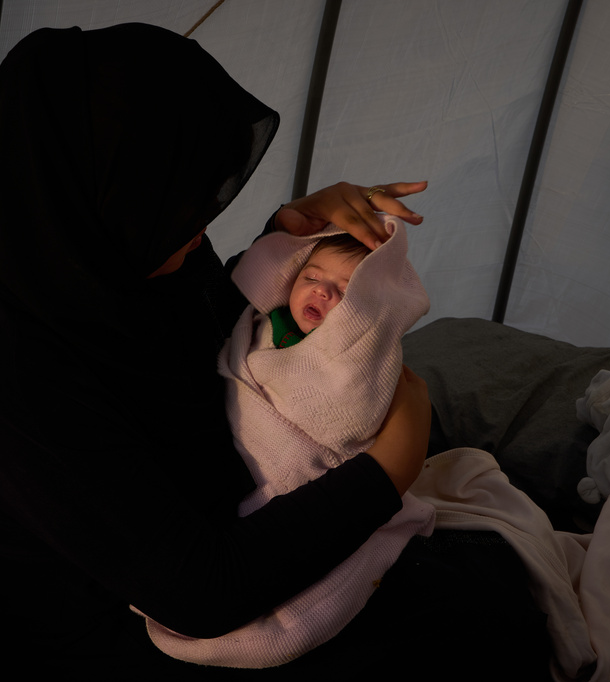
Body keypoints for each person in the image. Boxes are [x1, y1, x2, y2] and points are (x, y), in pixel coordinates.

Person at [0, 22, 550, 680]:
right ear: (105, 194)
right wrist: (386, 472)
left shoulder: (116, 259)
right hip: (113, 636)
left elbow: (204, 346)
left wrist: (287, 248)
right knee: (476, 621)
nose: (202, 224)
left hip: (204, 529)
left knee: (482, 573)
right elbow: (200, 593)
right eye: (179, 201)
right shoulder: (0, 375)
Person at [141, 216, 440, 668]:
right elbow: (235, 358)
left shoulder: (356, 362)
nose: (321, 291)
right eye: (312, 277)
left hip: (299, 471)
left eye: (345, 290)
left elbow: (348, 417)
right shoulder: (262, 323)